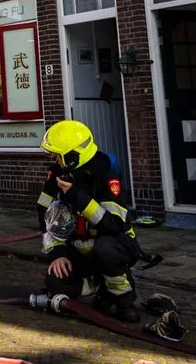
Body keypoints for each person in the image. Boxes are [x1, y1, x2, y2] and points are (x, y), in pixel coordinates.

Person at [35, 119, 140, 322]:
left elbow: (113, 225)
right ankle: (101, 287)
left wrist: (78, 197)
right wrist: (57, 253)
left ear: (72, 157)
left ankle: (123, 299)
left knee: (106, 249)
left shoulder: (107, 174)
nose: (54, 159)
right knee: (55, 283)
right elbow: (44, 214)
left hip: (114, 244)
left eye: (57, 155)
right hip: (78, 248)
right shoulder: (58, 173)